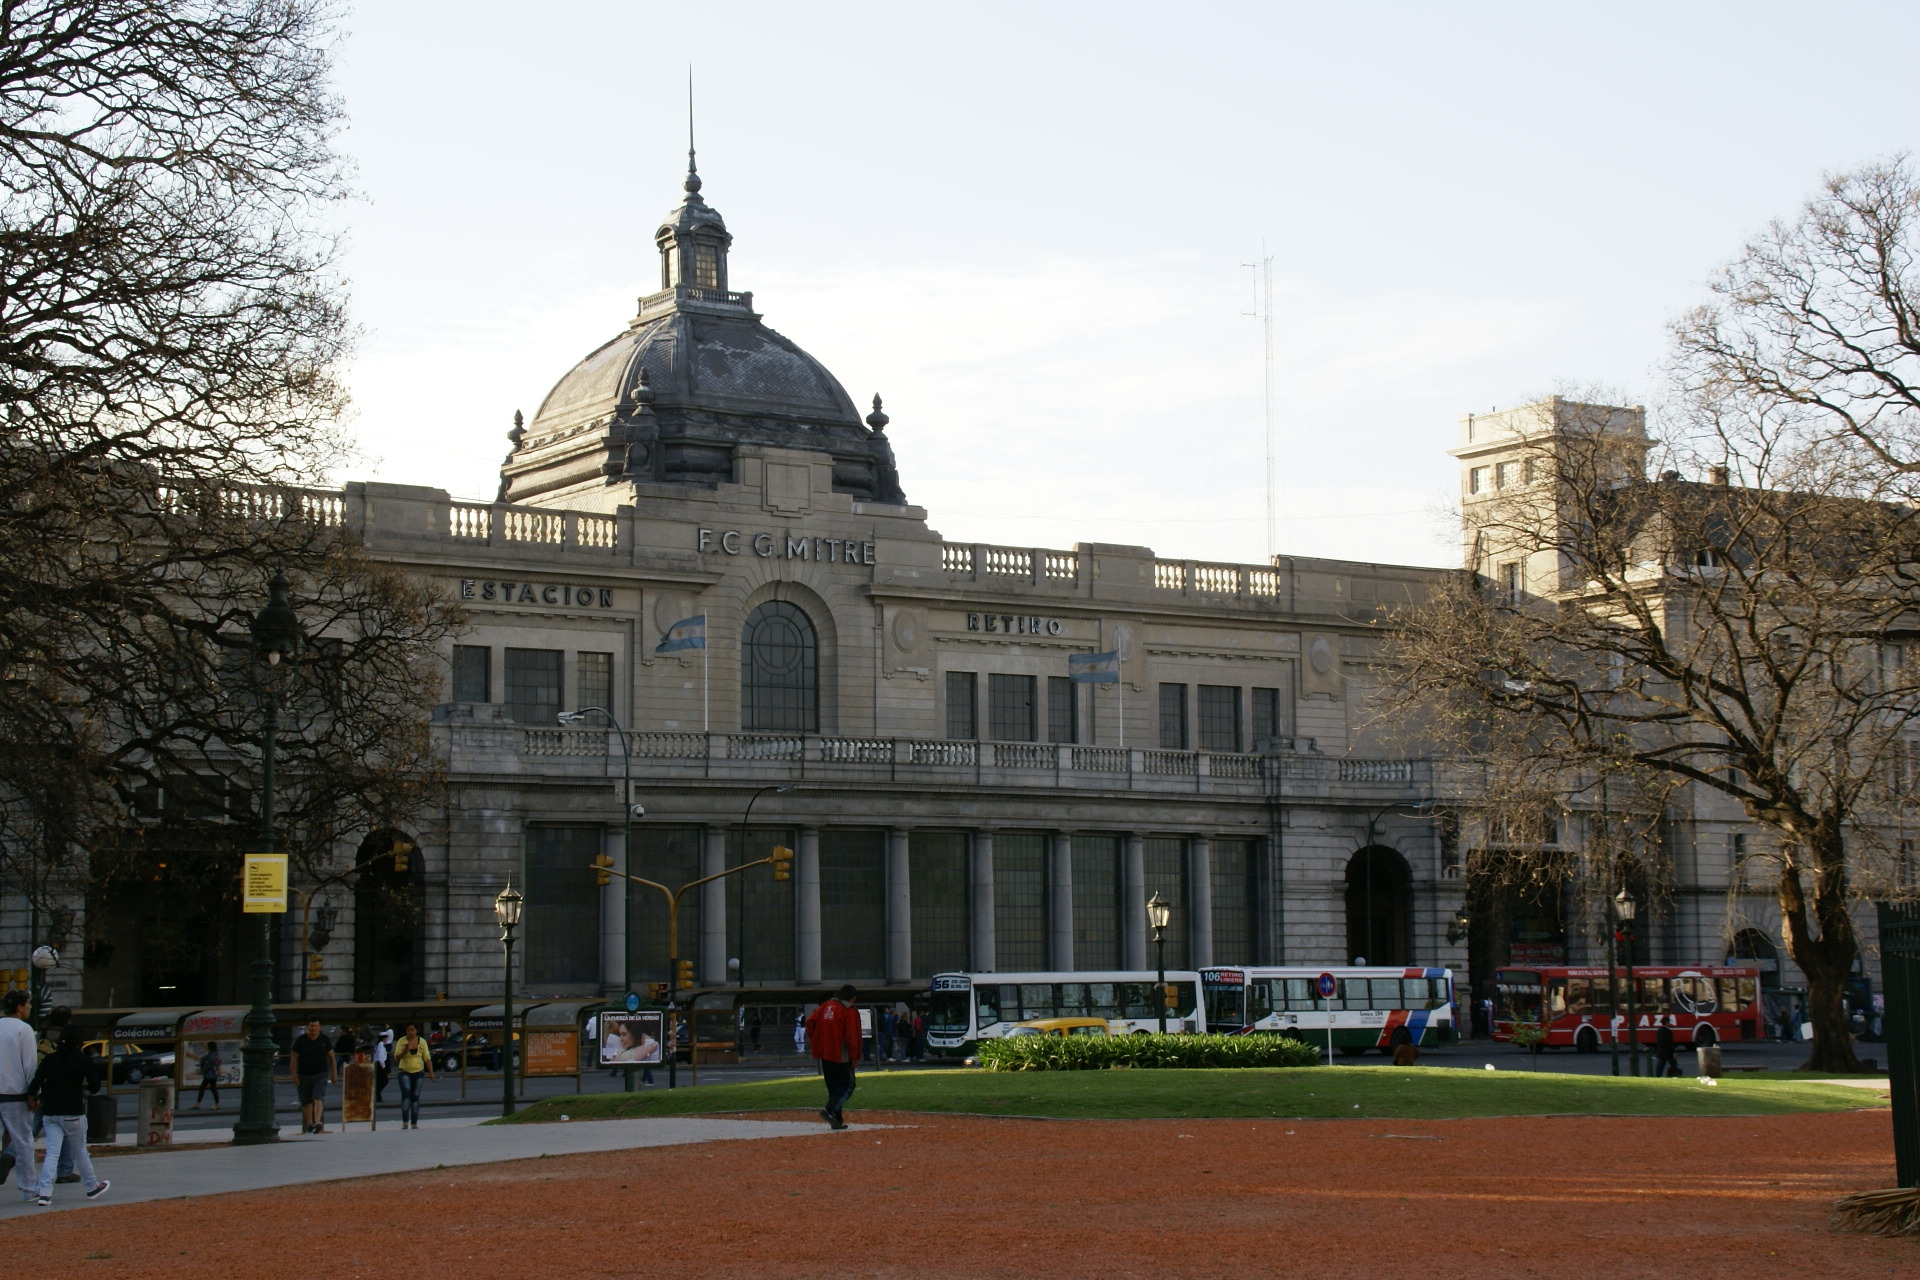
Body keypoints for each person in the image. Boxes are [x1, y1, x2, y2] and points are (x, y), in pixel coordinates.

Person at [25, 1026, 108, 1206]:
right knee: (80, 1152)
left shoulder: (50, 1059)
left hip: (50, 1114)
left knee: (51, 1153)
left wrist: (34, 1097)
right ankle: (92, 1186)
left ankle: (45, 1193)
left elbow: (35, 1084)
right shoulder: (82, 1060)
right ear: (79, 1042)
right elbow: (95, 1086)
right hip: (73, 1113)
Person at [805, 986, 862, 1130]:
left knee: (834, 1087)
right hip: (841, 1055)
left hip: (824, 1053)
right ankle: (829, 1110)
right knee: (847, 1084)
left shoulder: (825, 1006)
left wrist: (817, 1040)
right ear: (852, 997)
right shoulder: (848, 1010)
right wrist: (854, 1057)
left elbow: (810, 1023)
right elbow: (852, 1036)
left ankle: (837, 1119)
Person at [0, 990, 38, 1200]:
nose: (30, 1007)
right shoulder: (24, 1030)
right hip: (15, 1093)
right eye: (28, 1004)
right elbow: (29, 1065)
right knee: (23, 1142)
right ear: (20, 1007)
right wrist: (34, 1093)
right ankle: (29, 1189)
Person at [33, 1005, 76, 1183]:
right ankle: (65, 1170)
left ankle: (11, 1154)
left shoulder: (42, 1034)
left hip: (42, 1089)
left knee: (31, 1128)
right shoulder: (68, 1037)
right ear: (67, 1020)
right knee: (66, 1131)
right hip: (62, 1093)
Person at [291, 1019, 337, 1134]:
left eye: (316, 1026)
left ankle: (317, 1122)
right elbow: (294, 1058)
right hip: (304, 1074)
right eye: (312, 1026)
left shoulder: (324, 1039)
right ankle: (310, 1124)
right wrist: (294, 1074)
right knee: (306, 1101)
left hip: (320, 1074)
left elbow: (332, 1057)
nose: (313, 1028)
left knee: (318, 1096)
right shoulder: (300, 1041)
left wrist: (334, 1073)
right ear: (308, 1027)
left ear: (319, 1027)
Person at [391, 1023, 434, 1129]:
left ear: (416, 1031)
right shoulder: (402, 1041)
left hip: (418, 1072)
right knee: (406, 1095)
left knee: (415, 1096)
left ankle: (414, 1122)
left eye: (412, 1030)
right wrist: (404, 1052)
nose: (410, 1032)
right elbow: (396, 1058)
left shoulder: (422, 1042)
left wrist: (431, 1073)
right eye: (408, 1030)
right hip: (404, 1071)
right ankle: (405, 1121)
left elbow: (427, 1058)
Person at [191, 1042, 222, 1109]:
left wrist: (203, 1065)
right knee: (209, 1088)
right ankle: (215, 1104)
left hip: (211, 1074)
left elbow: (208, 1062)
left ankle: (216, 1104)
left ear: (210, 1047)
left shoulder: (212, 1055)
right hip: (211, 1074)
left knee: (208, 1088)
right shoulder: (214, 1054)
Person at [372, 1028, 392, 1102]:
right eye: (386, 1037)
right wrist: (383, 1066)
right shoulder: (381, 1045)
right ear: (383, 1038)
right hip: (380, 1065)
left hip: (377, 1064)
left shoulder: (378, 1045)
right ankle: (377, 1092)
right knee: (385, 1080)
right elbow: (381, 1057)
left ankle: (378, 1096)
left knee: (379, 1080)